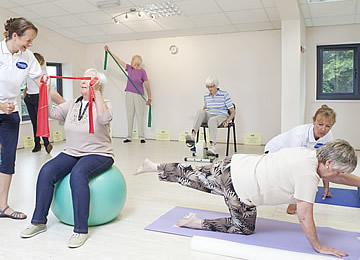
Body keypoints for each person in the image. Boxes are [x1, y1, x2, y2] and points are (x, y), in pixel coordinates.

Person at [136, 139, 359, 258]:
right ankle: (198, 223)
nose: (338, 176)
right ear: (329, 163)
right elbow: (304, 217)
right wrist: (318, 246)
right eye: (338, 171)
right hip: (238, 189)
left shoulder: (309, 154)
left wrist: (358, 182)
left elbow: (338, 176)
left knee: (193, 173)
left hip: (234, 164)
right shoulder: (308, 176)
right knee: (244, 228)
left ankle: (154, 167)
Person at [20, 69, 114, 248]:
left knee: (78, 174)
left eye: (90, 78)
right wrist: (46, 90)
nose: (84, 80)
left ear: (97, 83)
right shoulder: (73, 103)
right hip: (72, 152)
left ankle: (80, 230)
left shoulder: (104, 103)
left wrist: (98, 92)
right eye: (83, 77)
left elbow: (104, 118)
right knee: (46, 171)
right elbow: (51, 113)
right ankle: (38, 221)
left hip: (99, 153)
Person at [0, 17, 62, 220]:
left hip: (11, 115)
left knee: (8, 160)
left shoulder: (26, 57)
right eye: (28, 39)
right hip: (1, 107)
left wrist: (67, 105)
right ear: (14, 36)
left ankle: (2, 206)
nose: (30, 44)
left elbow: (44, 86)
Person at [265, 105, 336, 214]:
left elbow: (325, 162)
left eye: (328, 126)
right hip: (274, 151)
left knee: (313, 165)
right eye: (320, 124)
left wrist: (326, 188)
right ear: (313, 121)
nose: (323, 129)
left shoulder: (328, 136)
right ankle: (293, 200)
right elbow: (294, 163)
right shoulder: (300, 134)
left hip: (296, 154)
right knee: (298, 170)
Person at [104, 45, 151, 143]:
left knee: (139, 115)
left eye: (133, 59)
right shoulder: (129, 68)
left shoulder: (142, 71)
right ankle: (129, 136)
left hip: (139, 95)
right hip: (129, 94)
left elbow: (146, 84)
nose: (131, 60)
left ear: (137, 61)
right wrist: (109, 51)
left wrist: (150, 97)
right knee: (130, 115)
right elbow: (118, 60)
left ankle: (142, 137)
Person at [185, 76, 235, 156]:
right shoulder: (206, 96)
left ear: (216, 85)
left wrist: (227, 121)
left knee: (212, 120)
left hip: (221, 115)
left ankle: (212, 148)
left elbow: (232, 112)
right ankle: (193, 137)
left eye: (212, 86)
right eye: (208, 87)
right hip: (210, 115)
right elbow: (205, 108)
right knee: (200, 111)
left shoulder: (224, 94)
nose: (210, 89)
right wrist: (200, 116)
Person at [24, 53, 53, 153]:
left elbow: (47, 85)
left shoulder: (42, 71)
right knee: (34, 122)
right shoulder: (27, 70)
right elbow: (26, 83)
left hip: (38, 97)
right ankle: (37, 143)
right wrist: (25, 94)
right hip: (29, 97)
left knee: (41, 121)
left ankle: (46, 142)